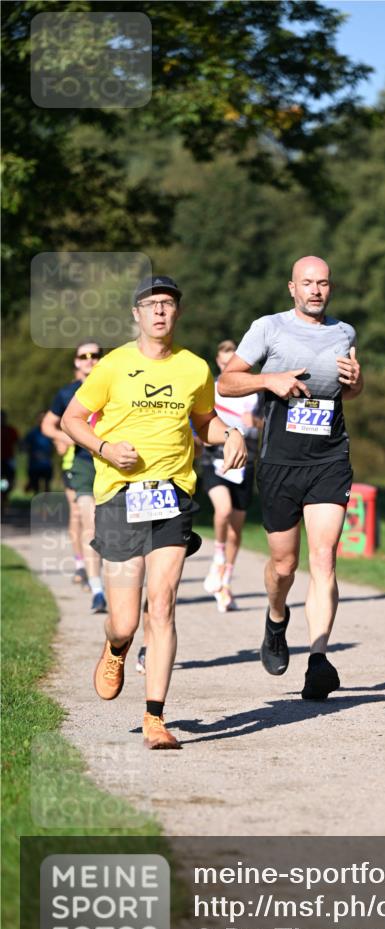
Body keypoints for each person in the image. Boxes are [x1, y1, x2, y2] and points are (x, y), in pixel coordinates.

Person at [61, 275, 246, 750]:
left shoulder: (195, 368)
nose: (160, 311)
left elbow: (205, 422)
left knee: (161, 604)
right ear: (136, 314)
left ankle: (155, 717)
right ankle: (116, 645)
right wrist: (105, 448)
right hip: (120, 496)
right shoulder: (112, 366)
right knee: (125, 619)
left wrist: (231, 434)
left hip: (173, 496)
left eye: (167, 303)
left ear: (177, 312)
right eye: (151, 304)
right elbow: (71, 420)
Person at [218, 256, 363, 700]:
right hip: (280, 461)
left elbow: (349, 391)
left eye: (323, 283)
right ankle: (276, 618)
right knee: (284, 566)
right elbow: (227, 382)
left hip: (329, 459)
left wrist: (357, 382)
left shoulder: (345, 333)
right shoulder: (269, 328)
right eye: (307, 283)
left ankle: (318, 660)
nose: (316, 290)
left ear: (330, 288)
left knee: (324, 558)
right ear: (292, 288)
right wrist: (270, 381)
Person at [199, 339, 263, 612]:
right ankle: (217, 558)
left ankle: (224, 583)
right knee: (222, 509)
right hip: (214, 460)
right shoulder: (210, 389)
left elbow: (270, 424)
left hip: (245, 464)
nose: (228, 368)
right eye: (224, 363)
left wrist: (255, 422)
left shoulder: (256, 390)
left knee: (236, 530)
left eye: (233, 363)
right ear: (218, 362)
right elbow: (199, 421)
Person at [41, 343, 106, 607]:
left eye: (95, 355)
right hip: (80, 463)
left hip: (113, 463)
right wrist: (66, 437)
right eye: (84, 356)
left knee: (110, 523)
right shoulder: (67, 393)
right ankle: (95, 587)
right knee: (82, 517)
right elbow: (48, 425)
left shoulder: (114, 385)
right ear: (76, 361)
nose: (90, 360)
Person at [23, 413, 53, 493]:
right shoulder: (32, 433)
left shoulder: (50, 433)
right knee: (35, 487)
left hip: (47, 464)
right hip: (34, 465)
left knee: (47, 486)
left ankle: (46, 501)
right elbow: (24, 446)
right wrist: (33, 453)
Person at [1, 410, 20, 515]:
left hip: (8, 460)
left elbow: (18, 443)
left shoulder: (11, 430)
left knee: (9, 482)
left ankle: (5, 498)